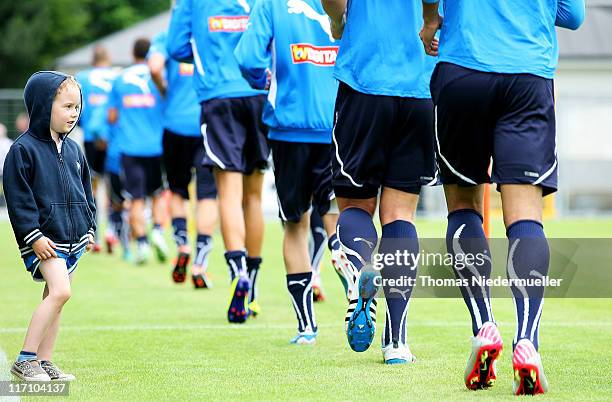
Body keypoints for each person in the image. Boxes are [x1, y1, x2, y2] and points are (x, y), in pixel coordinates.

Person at [419, 0, 585, 394]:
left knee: (462, 205)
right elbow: (574, 16)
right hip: (528, 71)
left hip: (463, 68)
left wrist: (431, 21)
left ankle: (484, 327)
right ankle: (527, 339)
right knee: (526, 214)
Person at [322, 0, 437, 362]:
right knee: (401, 215)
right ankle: (397, 342)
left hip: (365, 78)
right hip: (420, 86)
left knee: (356, 205)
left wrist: (337, 21)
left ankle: (358, 271)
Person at [235, 0, 353, 344]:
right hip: (339, 122)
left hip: (289, 127)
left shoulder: (270, 3)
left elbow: (247, 58)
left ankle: (306, 327)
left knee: (295, 226)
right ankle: (350, 276)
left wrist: (263, 79)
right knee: (338, 218)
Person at [168, 0, 269, 323]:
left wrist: (208, 55)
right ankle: (251, 288)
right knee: (253, 197)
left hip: (218, 96)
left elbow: (177, 47)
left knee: (228, 193)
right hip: (258, 93)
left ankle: (236, 272)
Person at [4, 72, 96, 381]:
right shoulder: (23, 150)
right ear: (44, 106)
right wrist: (34, 236)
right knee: (60, 292)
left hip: (72, 242)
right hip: (43, 241)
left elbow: (86, 191)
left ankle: (44, 361)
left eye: (77, 107)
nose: (73, 113)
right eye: (67, 106)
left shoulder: (74, 151)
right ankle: (25, 359)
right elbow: (18, 200)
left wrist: (90, 227)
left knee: (53, 300)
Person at [148, 30, 219, 289]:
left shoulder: (166, 37)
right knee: (207, 195)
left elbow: (155, 67)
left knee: (177, 191)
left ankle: (182, 245)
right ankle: (200, 263)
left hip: (174, 124)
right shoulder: (208, 29)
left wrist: (165, 90)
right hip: (206, 122)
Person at [108, 38, 168, 265]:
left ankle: (141, 243)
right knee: (160, 194)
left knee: (136, 199)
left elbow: (111, 117)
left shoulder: (120, 79)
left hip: (130, 147)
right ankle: (159, 231)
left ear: (132, 53)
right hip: (157, 146)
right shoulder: (159, 76)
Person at [76, 46, 118, 252]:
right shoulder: (116, 76)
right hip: (112, 137)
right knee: (112, 183)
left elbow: (77, 106)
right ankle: (112, 230)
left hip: (92, 137)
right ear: (108, 59)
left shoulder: (83, 78)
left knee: (92, 185)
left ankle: (95, 235)